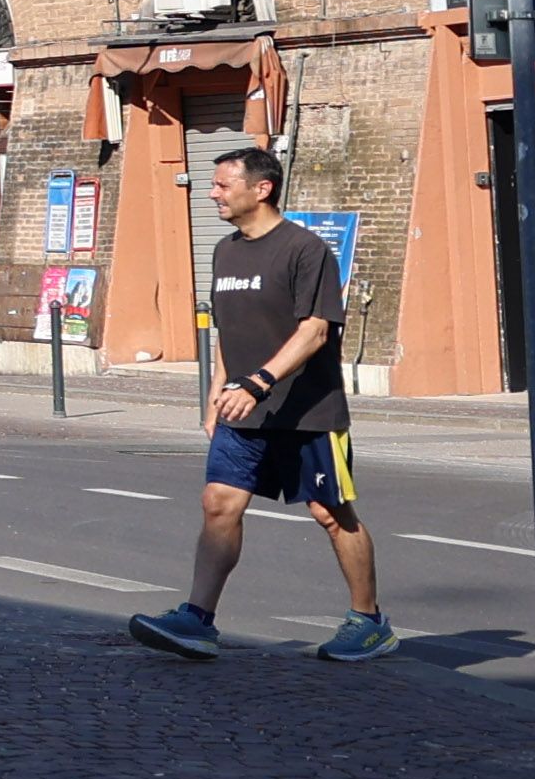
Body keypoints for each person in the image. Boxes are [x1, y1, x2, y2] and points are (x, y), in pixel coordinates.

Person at [130, 144, 392, 661]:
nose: (212, 194)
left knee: (330, 511)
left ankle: (369, 621)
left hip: (307, 410)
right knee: (218, 504)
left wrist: (258, 382)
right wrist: (217, 393)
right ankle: (197, 620)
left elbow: (315, 330)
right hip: (241, 408)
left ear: (262, 188)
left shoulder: (304, 249)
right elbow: (229, 330)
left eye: (223, 185)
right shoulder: (224, 250)